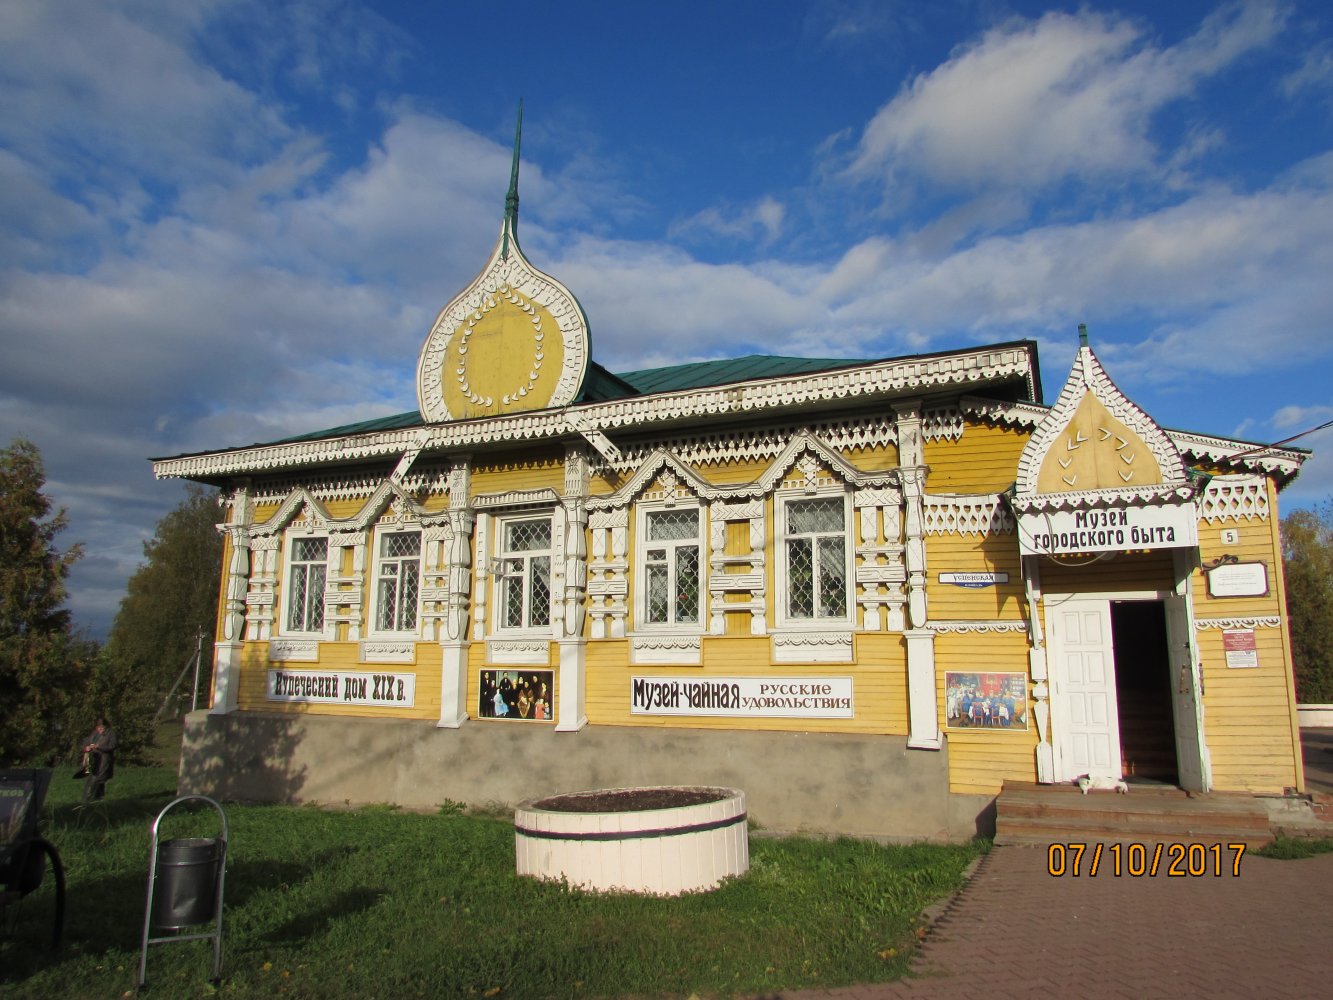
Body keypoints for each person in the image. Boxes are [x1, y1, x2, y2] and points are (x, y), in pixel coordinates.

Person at [78, 716, 117, 803]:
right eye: (98, 727)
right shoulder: (94, 733)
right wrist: (86, 747)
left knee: (97, 778)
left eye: (101, 727)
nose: (99, 729)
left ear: (105, 727)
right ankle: (99, 798)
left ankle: (86, 799)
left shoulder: (110, 734)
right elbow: (86, 742)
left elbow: (112, 746)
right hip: (94, 758)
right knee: (96, 778)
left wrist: (99, 746)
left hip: (104, 760)